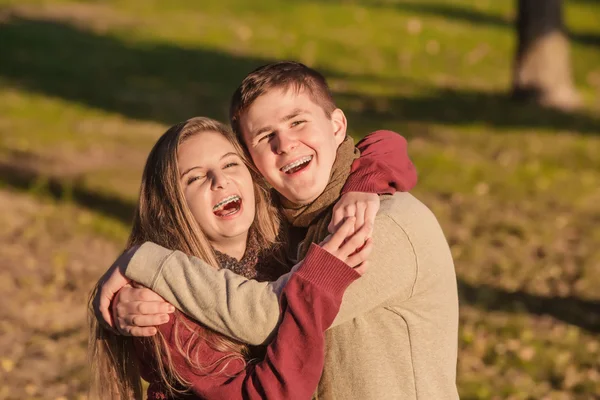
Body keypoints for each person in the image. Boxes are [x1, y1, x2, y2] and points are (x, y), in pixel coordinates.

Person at [96, 61, 458, 399]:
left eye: (297, 122)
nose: (284, 144)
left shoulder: (373, 226)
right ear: (256, 165)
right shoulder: (295, 224)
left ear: (336, 127)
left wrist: (147, 261)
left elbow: (268, 316)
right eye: (264, 135)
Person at [89, 117, 382, 400]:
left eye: (230, 164)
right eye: (195, 178)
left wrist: (361, 187)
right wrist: (318, 282)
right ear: (169, 209)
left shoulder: (285, 241)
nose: (220, 180)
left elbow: (382, 144)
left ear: (253, 176)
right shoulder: (163, 306)